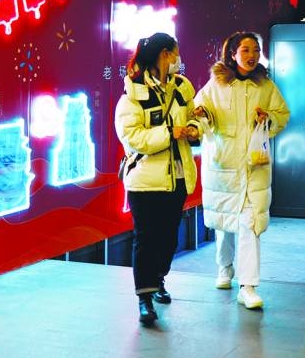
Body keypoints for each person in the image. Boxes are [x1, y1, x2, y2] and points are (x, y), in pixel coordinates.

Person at [194, 31, 289, 310]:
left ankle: (248, 286)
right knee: (225, 223)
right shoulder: (216, 84)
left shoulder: (266, 87)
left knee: (249, 224)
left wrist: (268, 118)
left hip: (253, 167)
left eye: (256, 50)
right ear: (232, 53)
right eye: (245, 50)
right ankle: (224, 268)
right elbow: (200, 112)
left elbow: (282, 114)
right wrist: (203, 116)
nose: (252, 56)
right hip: (223, 166)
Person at [114, 33, 202, 326]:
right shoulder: (133, 93)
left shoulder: (182, 88)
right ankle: (144, 297)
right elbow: (133, 137)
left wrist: (192, 127)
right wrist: (169, 133)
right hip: (144, 181)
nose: (178, 59)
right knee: (146, 238)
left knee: (167, 237)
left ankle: (158, 279)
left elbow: (194, 116)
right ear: (164, 55)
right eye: (175, 53)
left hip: (177, 177)